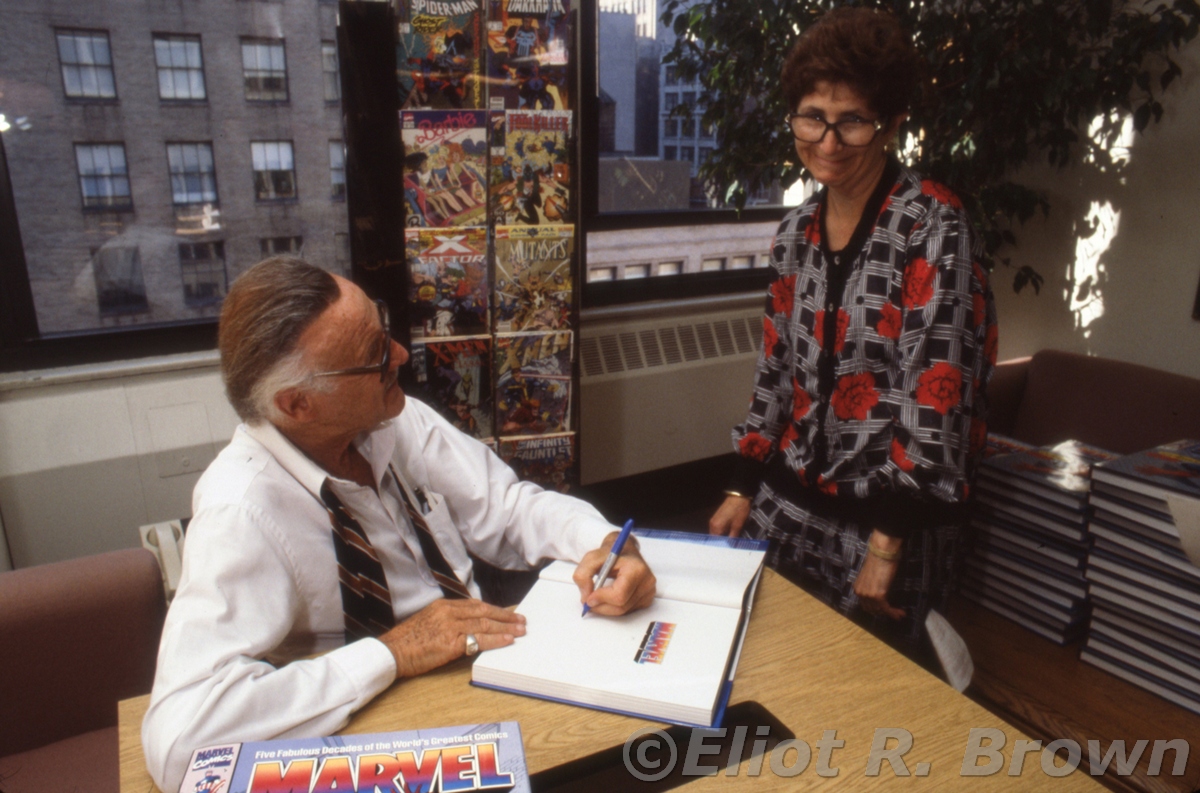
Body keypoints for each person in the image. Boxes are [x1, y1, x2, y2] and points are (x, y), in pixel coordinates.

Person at [142, 257, 655, 791]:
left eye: (383, 331)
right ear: (298, 404)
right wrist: (392, 651)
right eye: (373, 357)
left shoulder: (392, 418)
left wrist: (604, 544)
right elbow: (181, 741)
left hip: (485, 668)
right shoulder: (239, 509)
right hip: (376, 729)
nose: (402, 355)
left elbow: (508, 508)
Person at [708, 7, 998, 659]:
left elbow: (937, 394)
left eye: (853, 121)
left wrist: (888, 542)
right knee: (769, 682)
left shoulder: (932, 227)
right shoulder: (794, 233)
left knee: (875, 714)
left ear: (892, 123)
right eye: (813, 116)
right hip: (786, 510)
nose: (829, 141)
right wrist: (741, 485)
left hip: (886, 528)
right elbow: (776, 373)